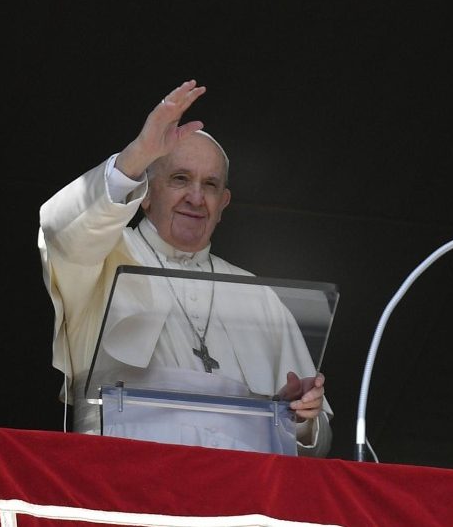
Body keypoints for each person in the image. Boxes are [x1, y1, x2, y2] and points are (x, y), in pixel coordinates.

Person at [39, 80, 331, 456]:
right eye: (180, 179)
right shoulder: (101, 257)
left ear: (223, 203)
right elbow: (60, 231)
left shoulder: (258, 295)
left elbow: (317, 444)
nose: (196, 197)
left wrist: (302, 418)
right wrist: (137, 155)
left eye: (209, 185)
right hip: (123, 483)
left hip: (235, 499)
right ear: (146, 192)